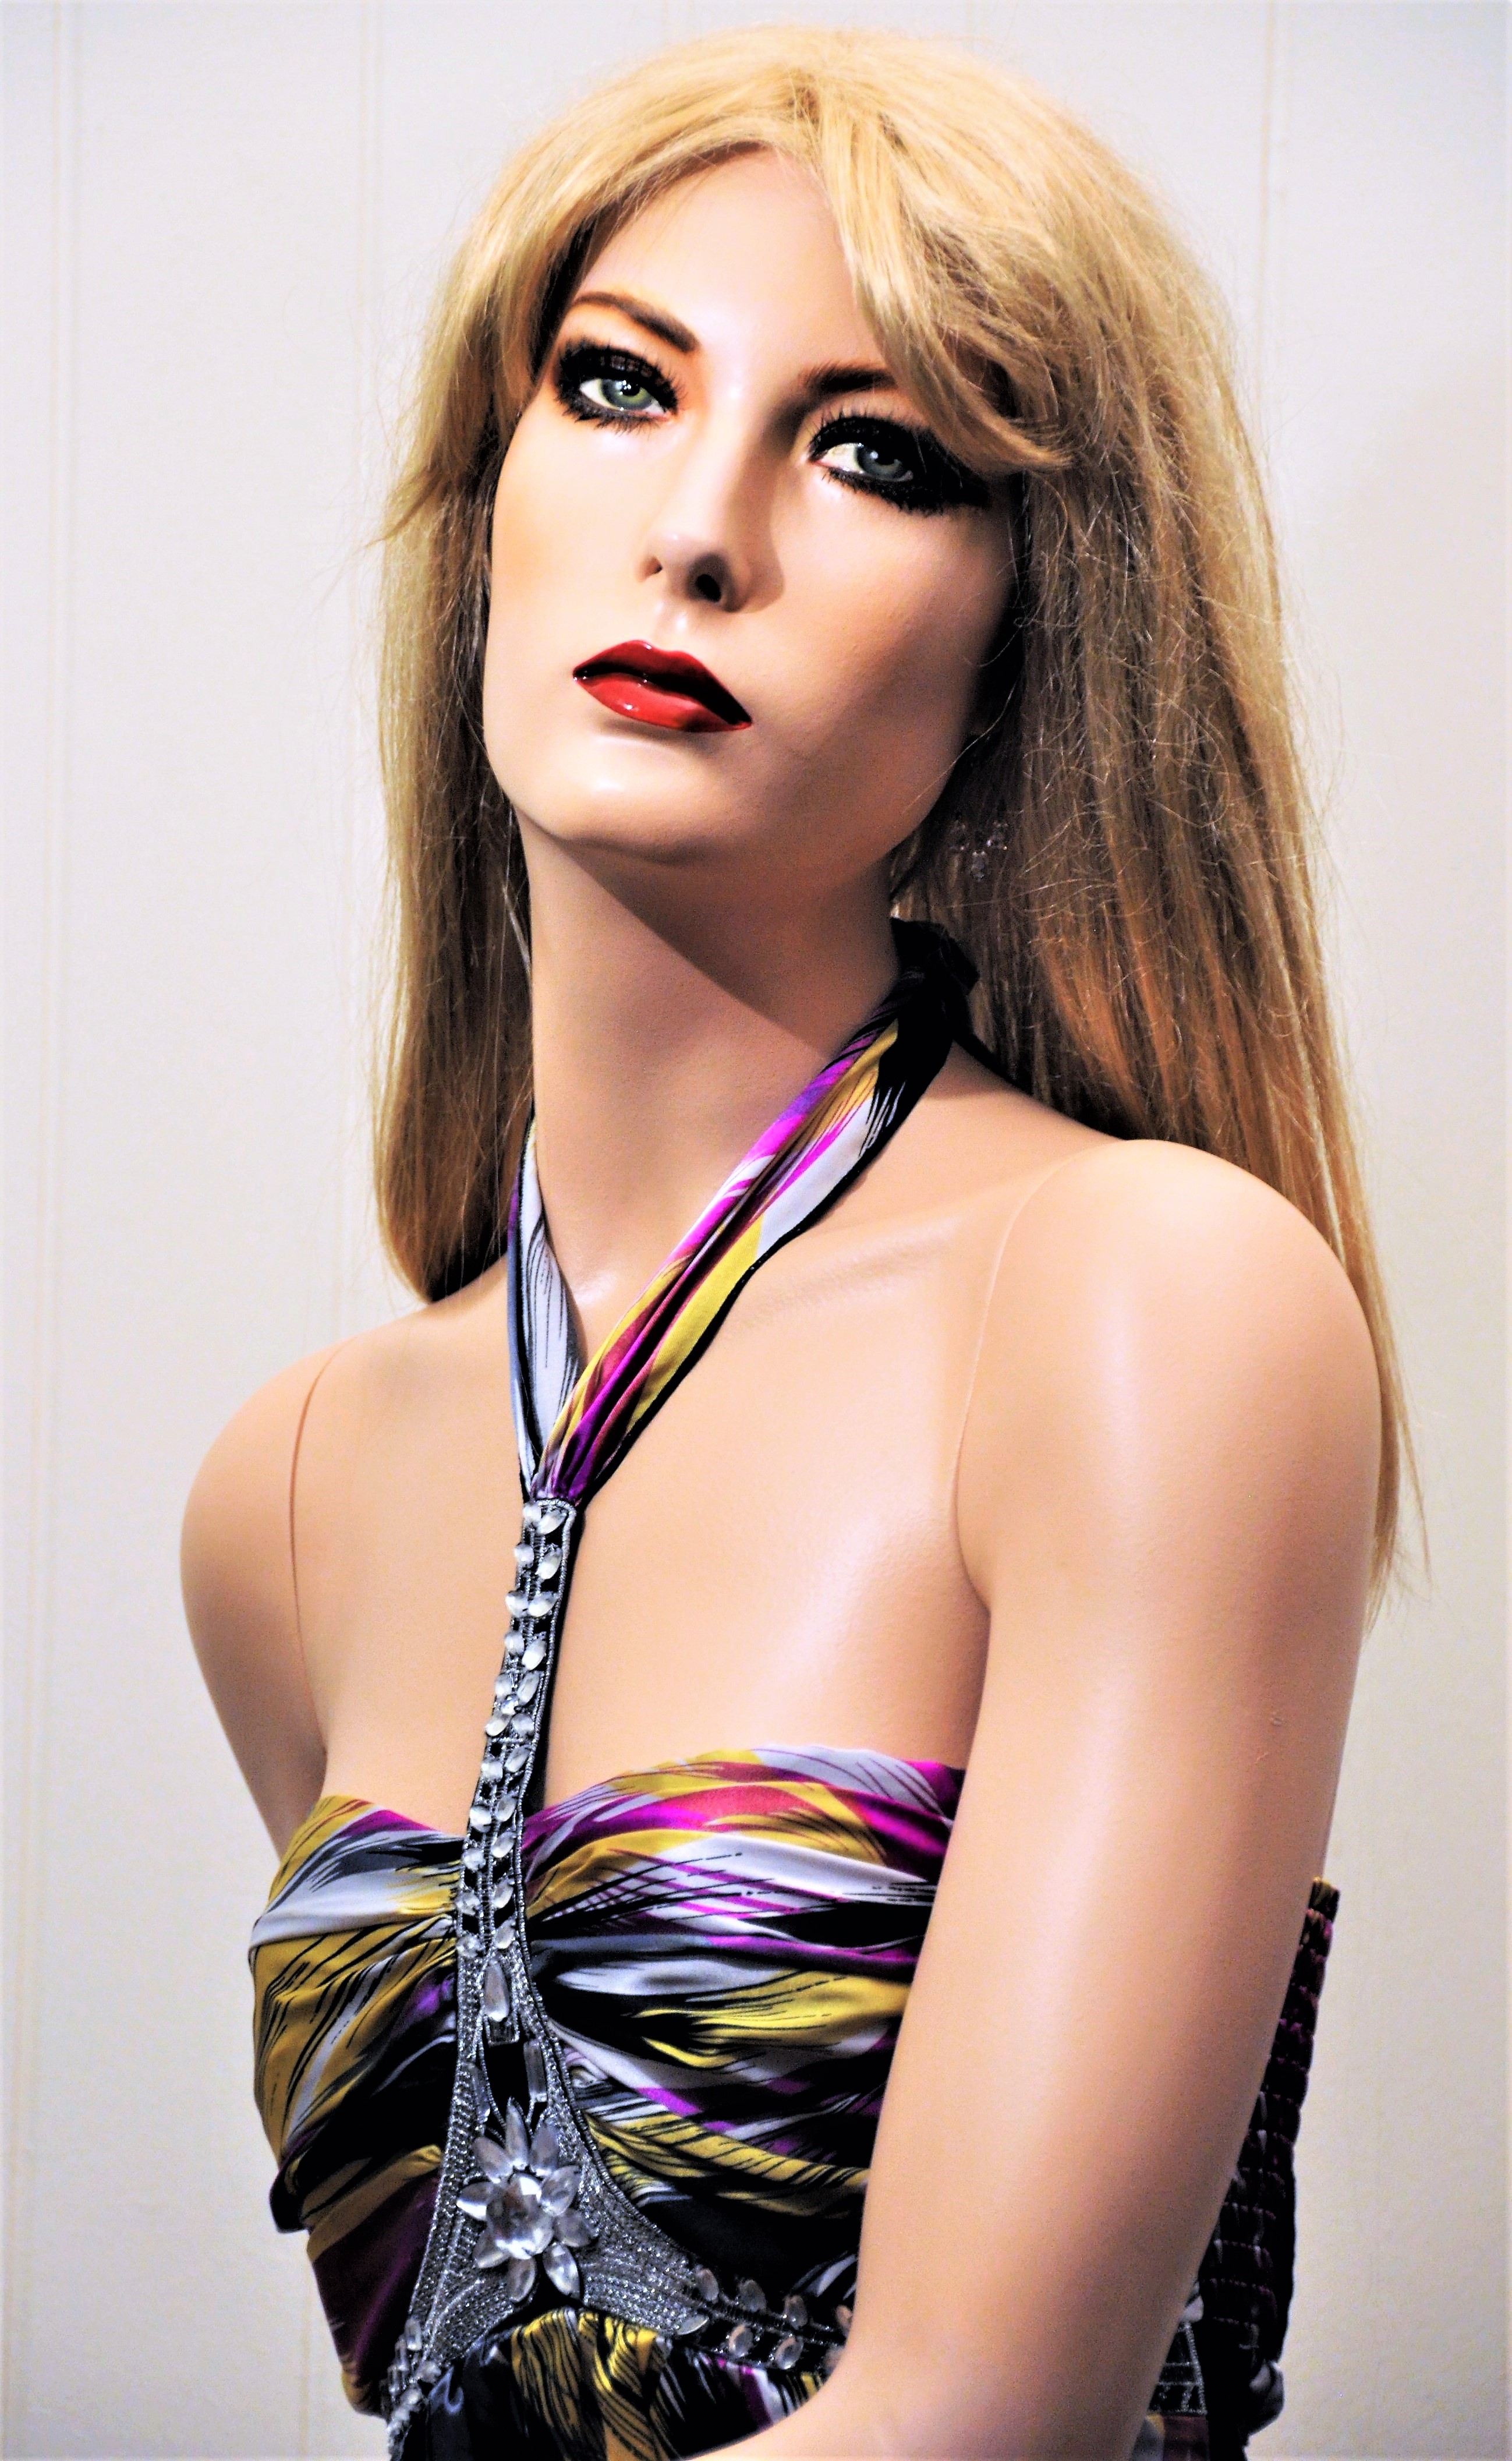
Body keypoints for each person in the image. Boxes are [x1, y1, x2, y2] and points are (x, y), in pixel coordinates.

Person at [182, 26, 1398, 2460]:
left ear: (1036, 637)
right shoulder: (287, 1492)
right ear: (488, 501)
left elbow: (974, 2415)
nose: (701, 527)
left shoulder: (1147, 1307)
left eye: (876, 453)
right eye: (618, 385)